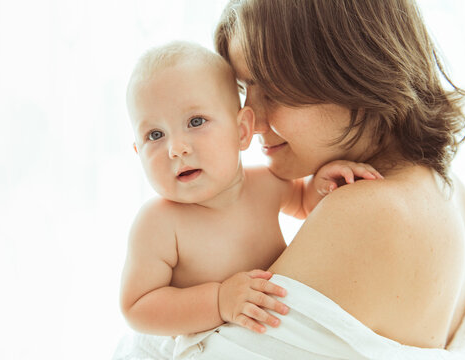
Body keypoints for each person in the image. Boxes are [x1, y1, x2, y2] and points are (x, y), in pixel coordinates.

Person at [174, 0, 465, 358]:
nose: (252, 124)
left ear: (355, 66)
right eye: (243, 91)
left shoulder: (368, 211)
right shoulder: (450, 190)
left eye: (271, 88)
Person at [114, 41, 382, 359]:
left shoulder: (266, 184)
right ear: (137, 153)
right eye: (155, 135)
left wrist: (323, 183)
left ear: (242, 131)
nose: (177, 148)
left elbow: (304, 204)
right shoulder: (159, 223)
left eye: (196, 122)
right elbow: (137, 306)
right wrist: (218, 300)